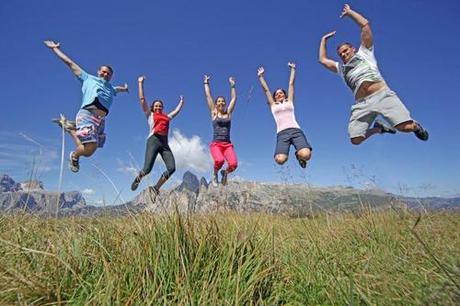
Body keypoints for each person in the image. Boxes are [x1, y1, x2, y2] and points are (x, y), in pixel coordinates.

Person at [318, 4, 429, 145]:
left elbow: (365, 26)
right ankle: (378, 129)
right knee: (355, 139)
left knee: (405, 128)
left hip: (382, 96)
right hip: (362, 104)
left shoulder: (365, 53)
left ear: (352, 48)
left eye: (345, 51)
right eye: (340, 54)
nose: (343, 54)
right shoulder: (341, 68)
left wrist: (350, 12)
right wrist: (323, 40)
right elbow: (322, 60)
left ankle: (415, 126)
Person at [44, 40, 128, 172]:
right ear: (98, 71)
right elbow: (70, 63)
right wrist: (55, 49)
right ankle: (74, 155)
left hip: (100, 121)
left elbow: (117, 89)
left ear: (111, 76)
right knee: (90, 148)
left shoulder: (111, 88)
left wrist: (124, 89)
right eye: (103, 72)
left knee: (88, 147)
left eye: (109, 73)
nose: (105, 74)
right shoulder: (88, 78)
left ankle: (70, 129)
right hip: (87, 115)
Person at [130, 75, 184, 194]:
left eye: (160, 106)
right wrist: (140, 83)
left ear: (162, 107)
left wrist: (181, 102)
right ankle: (138, 178)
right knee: (147, 169)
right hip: (153, 140)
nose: (158, 107)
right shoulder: (150, 115)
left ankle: (156, 188)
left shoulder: (167, 117)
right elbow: (142, 99)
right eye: (156, 106)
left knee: (172, 168)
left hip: (164, 143)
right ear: (153, 108)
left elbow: (176, 112)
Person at [257, 63, 312, 168]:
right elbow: (266, 90)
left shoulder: (289, 102)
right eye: (276, 94)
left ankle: (299, 156)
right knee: (280, 160)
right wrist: (261, 77)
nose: (279, 94)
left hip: (296, 131)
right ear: (274, 97)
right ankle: (290, 155)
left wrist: (293, 69)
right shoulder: (273, 105)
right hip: (282, 134)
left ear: (285, 95)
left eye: (281, 93)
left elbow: (291, 84)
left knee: (306, 155)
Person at [204, 75, 238, 186]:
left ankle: (225, 172)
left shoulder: (228, 113)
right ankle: (215, 173)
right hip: (216, 145)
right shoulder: (214, 112)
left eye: (223, 101)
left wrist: (232, 85)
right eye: (218, 101)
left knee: (233, 164)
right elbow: (208, 96)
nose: (221, 103)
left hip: (228, 145)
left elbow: (234, 99)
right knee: (219, 161)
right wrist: (206, 83)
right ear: (216, 103)